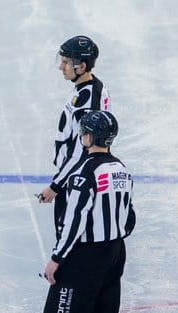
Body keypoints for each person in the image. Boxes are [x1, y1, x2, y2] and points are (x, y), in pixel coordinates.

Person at [42, 110, 136, 313]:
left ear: (89, 138)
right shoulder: (122, 170)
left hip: (83, 260)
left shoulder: (85, 173)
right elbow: (129, 219)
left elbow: (75, 221)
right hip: (114, 254)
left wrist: (57, 258)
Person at [39, 35, 111, 243]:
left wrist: (56, 185)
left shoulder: (88, 99)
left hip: (75, 177)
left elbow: (81, 151)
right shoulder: (86, 88)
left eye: (66, 62)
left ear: (82, 65)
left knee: (68, 236)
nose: (61, 67)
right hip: (72, 174)